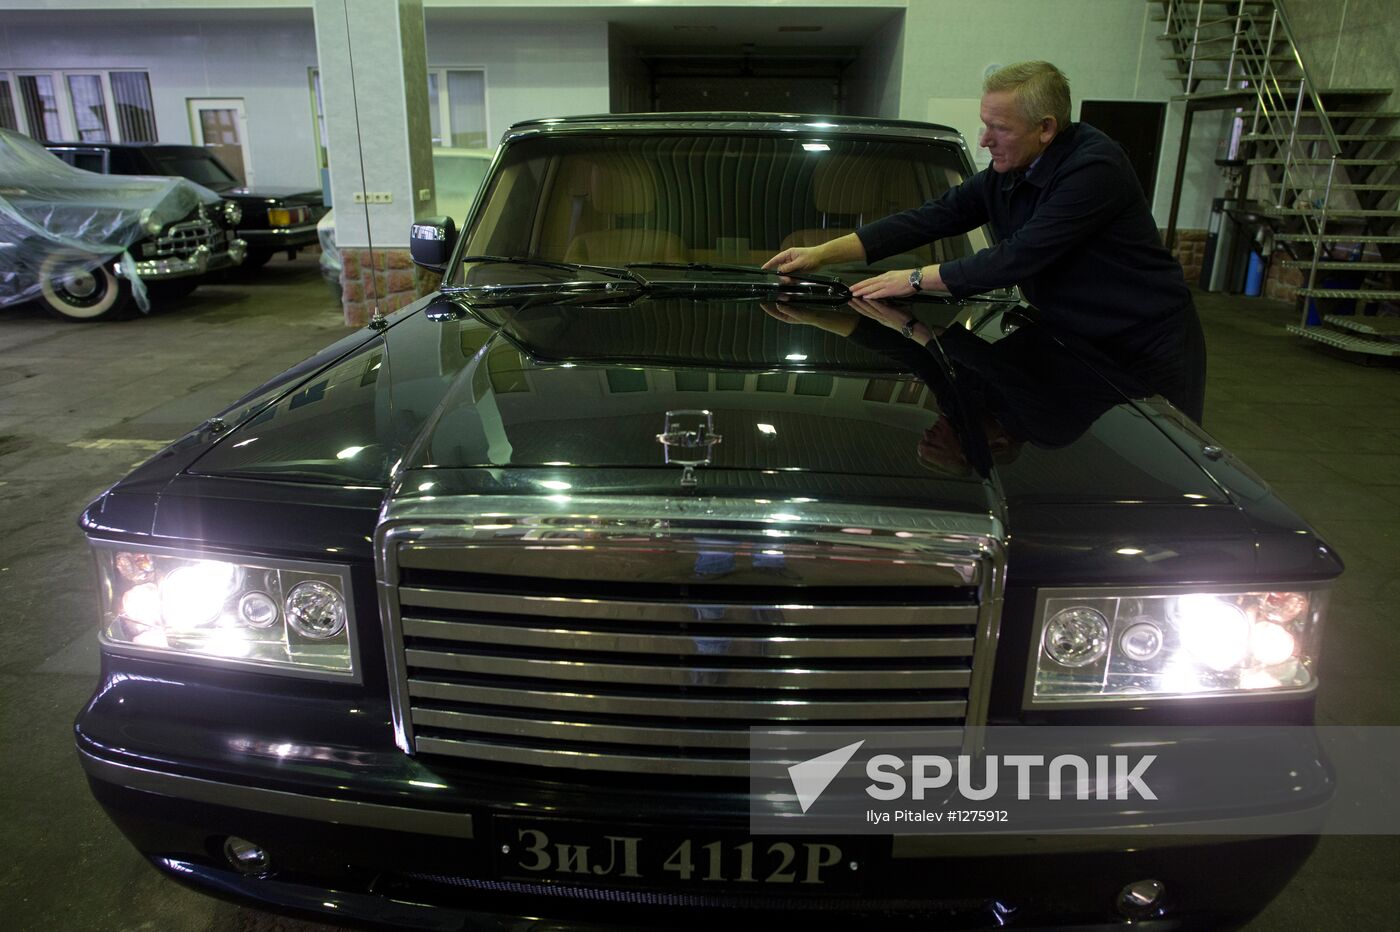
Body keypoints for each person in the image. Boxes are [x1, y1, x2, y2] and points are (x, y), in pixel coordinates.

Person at [763, 60, 1206, 423]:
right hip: (1067, 338)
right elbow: (930, 218)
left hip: (1143, 345)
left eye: (999, 128)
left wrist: (915, 278)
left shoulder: (1094, 169)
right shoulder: (1007, 171)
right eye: (983, 124)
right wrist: (821, 254)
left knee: (1161, 472)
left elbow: (1017, 258)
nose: (984, 139)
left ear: (1046, 128)